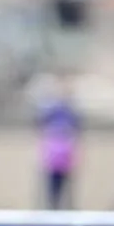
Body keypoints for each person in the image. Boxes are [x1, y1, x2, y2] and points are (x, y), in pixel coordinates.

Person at [34, 76, 81, 211]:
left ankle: (66, 210)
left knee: (66, 189)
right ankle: (51, 210)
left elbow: (76, 133)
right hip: (53, 158)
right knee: (52, 190)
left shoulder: (71, 112)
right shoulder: (50, 110)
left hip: (65, 158)